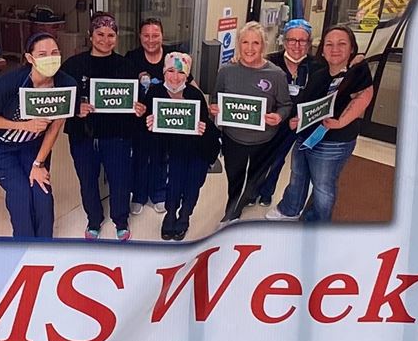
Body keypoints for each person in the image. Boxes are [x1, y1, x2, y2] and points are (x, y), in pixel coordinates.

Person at [0, 32, 66, 238]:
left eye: (54, 53)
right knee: (20, 191)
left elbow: (56, 126)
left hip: (30, 144)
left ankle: (45, 242)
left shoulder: (66, 84)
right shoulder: (7, 84)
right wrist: (25, 125)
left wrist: (38, 164)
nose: (50, 58)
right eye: (42, 54)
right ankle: (24, 242)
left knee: (41, 190)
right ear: (30, 58)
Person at [278, 25, 377, 224]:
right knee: (298, 175)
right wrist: (296, 120)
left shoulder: (356, 71)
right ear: (322, 49)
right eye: (329, 44)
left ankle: (317, 224)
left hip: (333, 141)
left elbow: (364, 96)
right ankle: (290, 209)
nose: (335, 49)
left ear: (352, 48)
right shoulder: (319, 74)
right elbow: (307, 104)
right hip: (306, 136)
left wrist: (340, 123)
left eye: (342, 44)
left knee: (322, 186)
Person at [61, 11, 140, 240]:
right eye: (100, 34)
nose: (105, 40)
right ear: (90, 35)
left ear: (117, 37)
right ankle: (94, 219)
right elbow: (60, 97)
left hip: (117, 135)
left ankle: (121, 220)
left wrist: (139, 107)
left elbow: (137, 99)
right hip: (82, 135)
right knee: (87, 180)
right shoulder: (73, 65)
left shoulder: (126, 66)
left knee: (120, 179)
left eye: (111, 35)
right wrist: (75, 108)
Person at [216, 23, 294, 221]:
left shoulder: (276, 75)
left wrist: (279, 116)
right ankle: (232, 213)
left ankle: (245, 200)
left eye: (255, 43)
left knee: (255, 180)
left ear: (263, 46)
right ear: (238, 44)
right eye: (245, 42)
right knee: (235, 178)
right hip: (233, 138)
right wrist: (214, 109)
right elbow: (216, 99)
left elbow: (285, 105)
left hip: (264, 140)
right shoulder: (226, 71)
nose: (249, 48)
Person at [249, 19, 328, 208]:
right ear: (284, 41)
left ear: (309, 43)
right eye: (292, 40)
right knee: (259, 156)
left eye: (302, 41)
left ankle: (267, 191)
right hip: (271, 119)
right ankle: (251, 192)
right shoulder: (269, 62)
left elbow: (322, 96)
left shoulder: (318, 67)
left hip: (297, 122)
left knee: (278, 159)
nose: (297, 45)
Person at [147, 50, 217, 241]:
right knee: (174, 184)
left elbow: (207, 127)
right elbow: (146, 125)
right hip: (175, 150)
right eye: (171, 71)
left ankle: (185, 216)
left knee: (193, 184)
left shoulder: (195, 95)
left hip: (199, 149)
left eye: (181, 72)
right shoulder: (155, 92)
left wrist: (203, 128)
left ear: (187, 75)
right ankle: (170, 215)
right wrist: (148, 124)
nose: (175, 77)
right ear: (164, 72)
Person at [123, 18, 172, 216]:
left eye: (155, 35)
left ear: (162, 36)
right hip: (139, 119)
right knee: (139, 158)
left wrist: (201, 105)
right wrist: (133, 104)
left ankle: (159, 194)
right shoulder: (131, 57)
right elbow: (124, 88)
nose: (151, 40)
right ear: (140, 37)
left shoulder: (172, 57)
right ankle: (139, 195)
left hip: (164, 119)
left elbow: (188, 81)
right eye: (146, 36)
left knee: (161, 157)